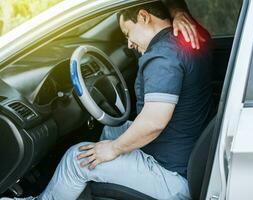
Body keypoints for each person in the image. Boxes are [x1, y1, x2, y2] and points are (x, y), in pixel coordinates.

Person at [1, 2, 213, 200]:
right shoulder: (189, 36)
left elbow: (153, 122)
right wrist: (178, 11)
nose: (129, 44)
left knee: (77, 159)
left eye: (128, 33)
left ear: (143, 16)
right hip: (186, 153)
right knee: (112, 130)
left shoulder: (162, 57)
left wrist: (112, 150)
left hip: (171, 176)